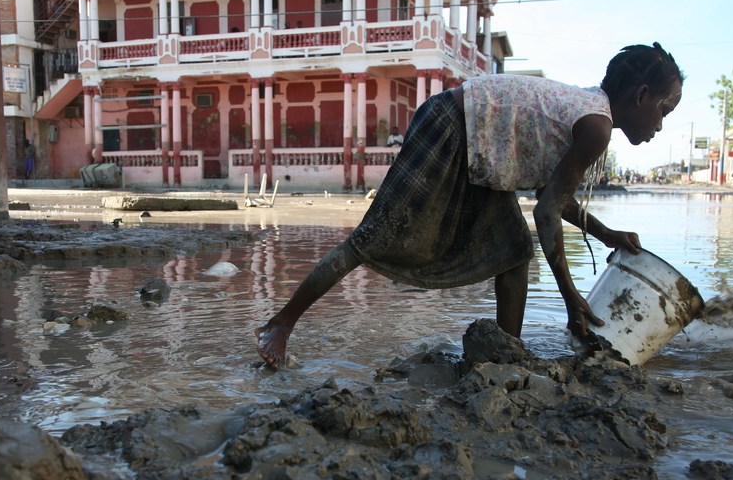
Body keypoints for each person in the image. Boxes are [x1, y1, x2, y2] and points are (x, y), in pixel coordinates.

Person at [256, 43, 683, 369]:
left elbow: (552, 197)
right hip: (451, 126)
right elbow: (547, 214)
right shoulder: (595, 127)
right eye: (664, 110)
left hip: (485, 149)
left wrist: (606, 234)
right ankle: (281, 322)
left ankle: (505, 356)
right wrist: (571, 297)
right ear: (642, 95)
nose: (661, 125)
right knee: (374, 238)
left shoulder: (591, 117)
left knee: (514, 252)